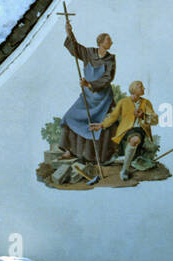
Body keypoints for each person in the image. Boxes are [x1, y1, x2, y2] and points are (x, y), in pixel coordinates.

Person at [58, 18, 116, 167]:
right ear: (101, 42)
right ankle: (68, 150)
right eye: (108, 40)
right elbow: (75, 48)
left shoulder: (111, 60)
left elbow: (107, 78)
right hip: (87, 97)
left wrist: (90, 84)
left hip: (102, 99)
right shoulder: (89, 53)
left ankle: (91, 156)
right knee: (70, 117)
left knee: (96, 124)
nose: (111, 42)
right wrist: (69, 32)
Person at [92, 80, 159, 181]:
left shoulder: (146, 103)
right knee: (124, 145)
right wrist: (101, 125)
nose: (144, 88)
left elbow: (155, 120)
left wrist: (143, 116)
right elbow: (113, 116)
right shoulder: (123, 102)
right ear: (134, 89)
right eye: (141, 87)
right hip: (124, 130)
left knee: (135, 140)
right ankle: (119, 159)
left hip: (139, 130)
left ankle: (124, 170)